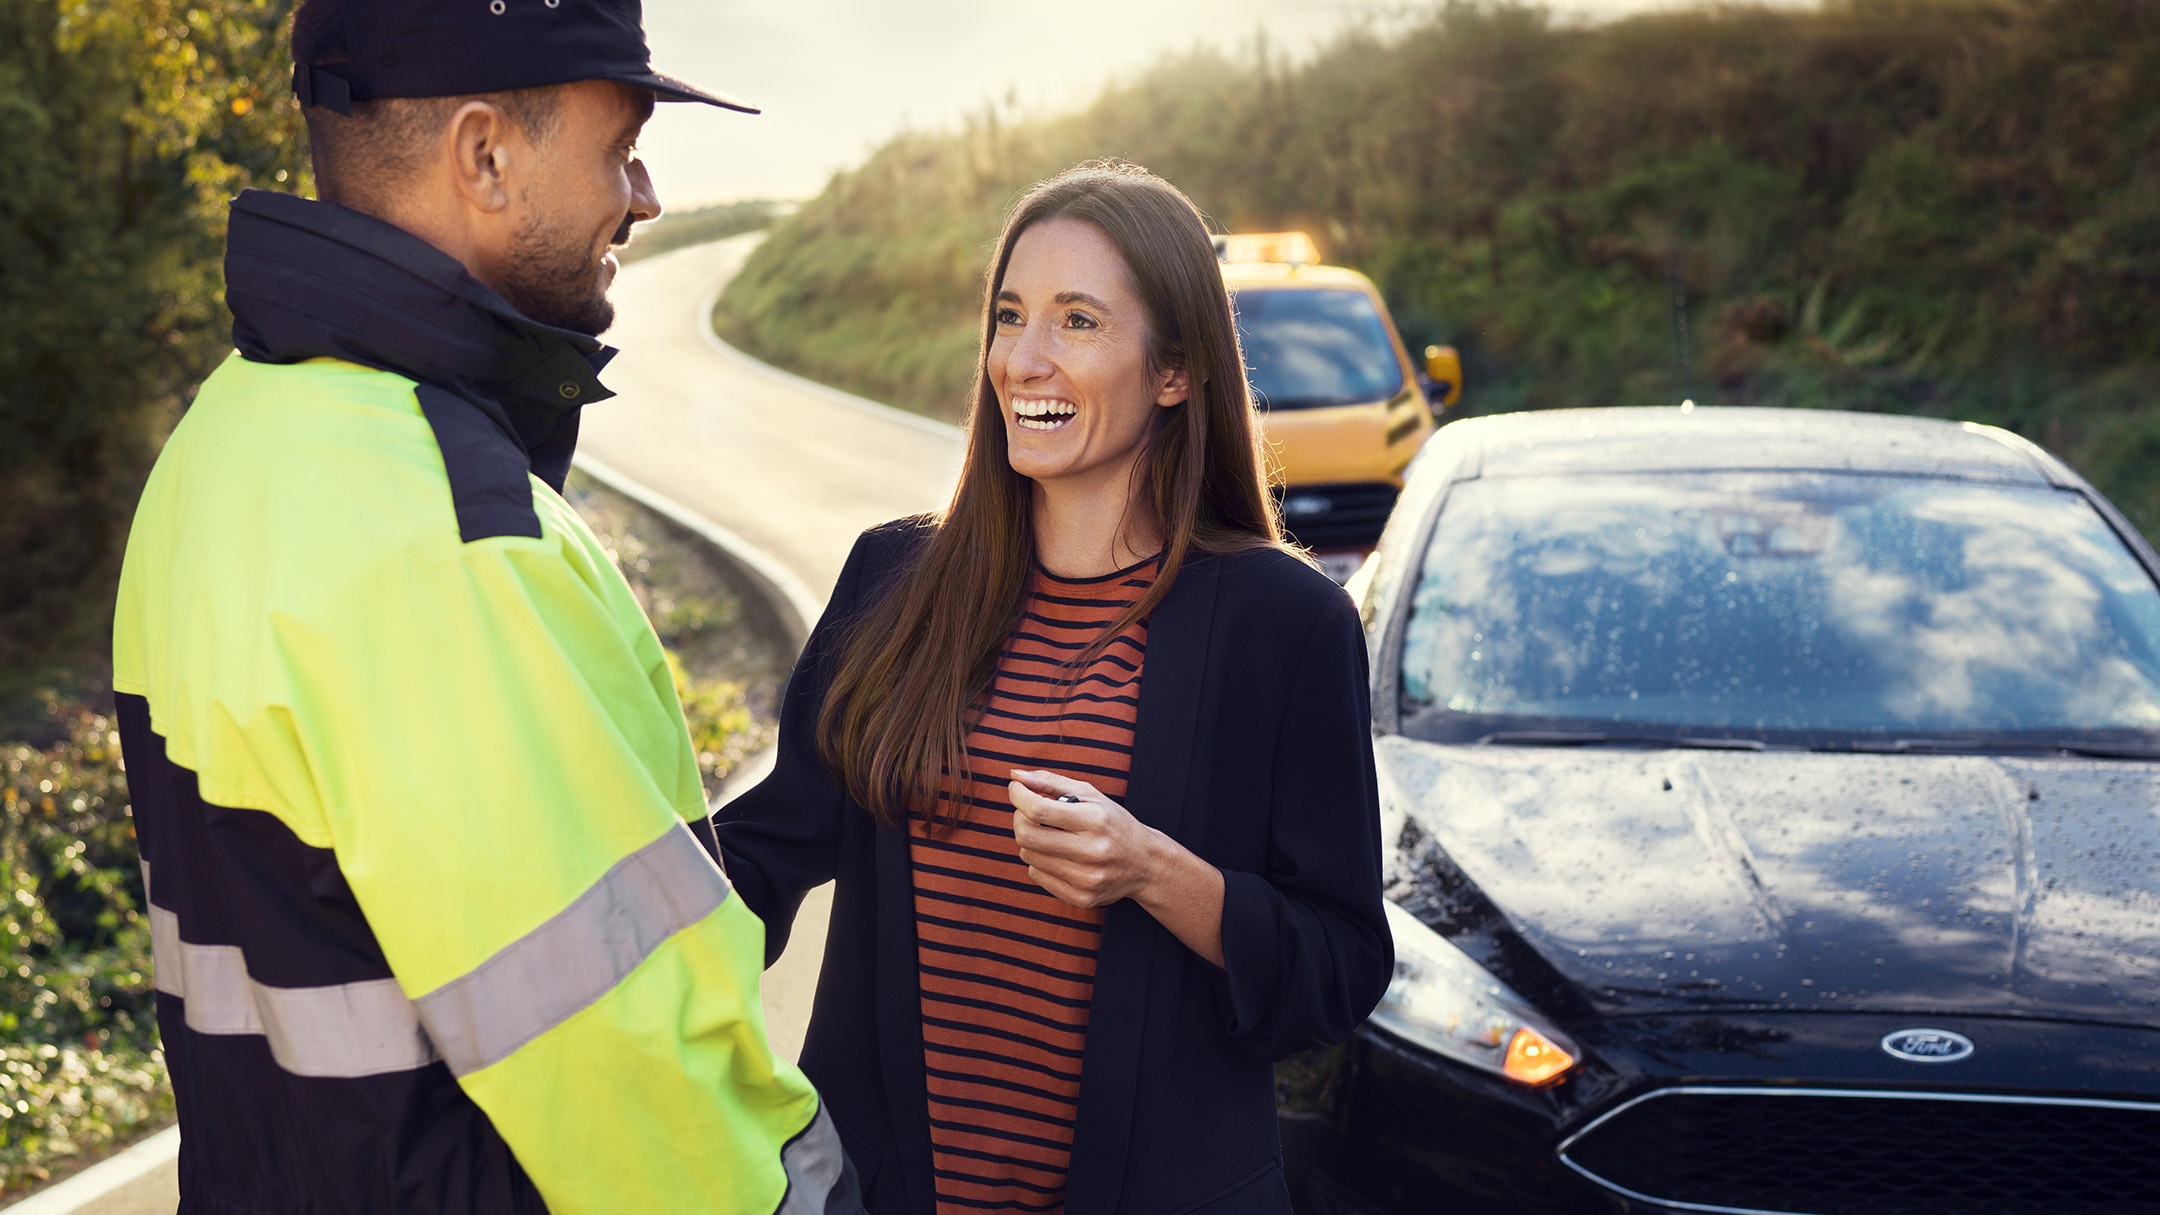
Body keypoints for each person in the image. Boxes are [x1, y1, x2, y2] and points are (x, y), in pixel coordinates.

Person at [110, 1, 859, 1211]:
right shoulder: (454, 538)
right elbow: (637, 1077)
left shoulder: (216, 450)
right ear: (485, 156)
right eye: (621, 148)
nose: (646, 196)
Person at [714, 161, 1393, 1214]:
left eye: (1078, 321)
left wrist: (1153, 870)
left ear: (1174, 371)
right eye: (1010, 316)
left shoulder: (1285, 624)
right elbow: (757, 857)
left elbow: (1337, 969)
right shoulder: (892, 579)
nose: (1023, 359)